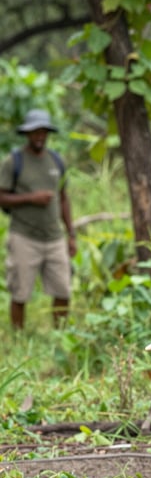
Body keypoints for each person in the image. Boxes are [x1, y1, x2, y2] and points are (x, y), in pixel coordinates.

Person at [0, 109, 76, 330]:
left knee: (63, 289)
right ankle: (18, 335)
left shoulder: (56, 161)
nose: (39, 137)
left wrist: (71, 235)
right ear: (26, 134)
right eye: (35, 132)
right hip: (24, 236)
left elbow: (63, 198)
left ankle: (60, 334)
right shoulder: (13, 161)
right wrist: (30, 198)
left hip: (54, 237)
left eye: (43, 132)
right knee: (20, 292)